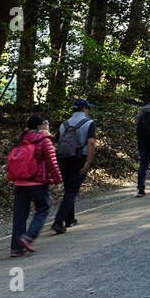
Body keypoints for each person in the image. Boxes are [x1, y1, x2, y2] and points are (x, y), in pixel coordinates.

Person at [7, 114, 62, 257]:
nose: (48, 124)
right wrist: (57, 181)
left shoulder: (23, 138)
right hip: (37, 182)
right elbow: (52, 163)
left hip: (20, 182)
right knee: (43, 209)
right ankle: (29, 237)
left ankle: (16, 248)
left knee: (20, 216)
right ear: (40, 125)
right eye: (46, 122)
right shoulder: (45, 140)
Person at [51, 98, 96, 234]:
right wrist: (88, 161)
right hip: (79, 158)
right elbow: (91, 143)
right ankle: (58, 222)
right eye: (87, 108)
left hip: (63, 158)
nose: (88, 110)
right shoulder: (89, 123)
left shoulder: (63, 124)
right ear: (83, 109)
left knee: (68, 188)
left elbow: (56, 143)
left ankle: (70, 219)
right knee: (72, 191)